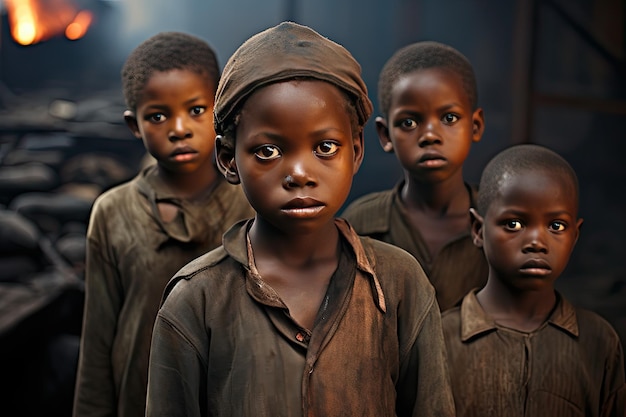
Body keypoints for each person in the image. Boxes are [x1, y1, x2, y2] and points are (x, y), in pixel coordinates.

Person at [145, 21, 455, 417]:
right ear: (228, 160)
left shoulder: (399, 284)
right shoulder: (197, 299)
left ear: (356, 151)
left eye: (325, 147)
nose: (299, 174)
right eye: (268, 151)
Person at [72, 32, 254, 417]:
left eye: (196, 110)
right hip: (139, 398)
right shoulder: (113, 211)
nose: (179, 128)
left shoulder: (252, 201)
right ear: (134, 125)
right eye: (158, 116)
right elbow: (99, 337)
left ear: (220, 110)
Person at [442, 144, 626, 417]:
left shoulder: (598, 341)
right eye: (514, 224)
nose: (537, 242)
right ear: (479, 230)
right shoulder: (441, 338)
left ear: (575, 236)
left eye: (556, 226)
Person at [341, 41, 488, 311]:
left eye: (449, 118)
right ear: (385, 135)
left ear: (475, 126)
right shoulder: (359, 225)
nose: (430, 135)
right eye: (409, 122)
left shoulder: (500, 223)